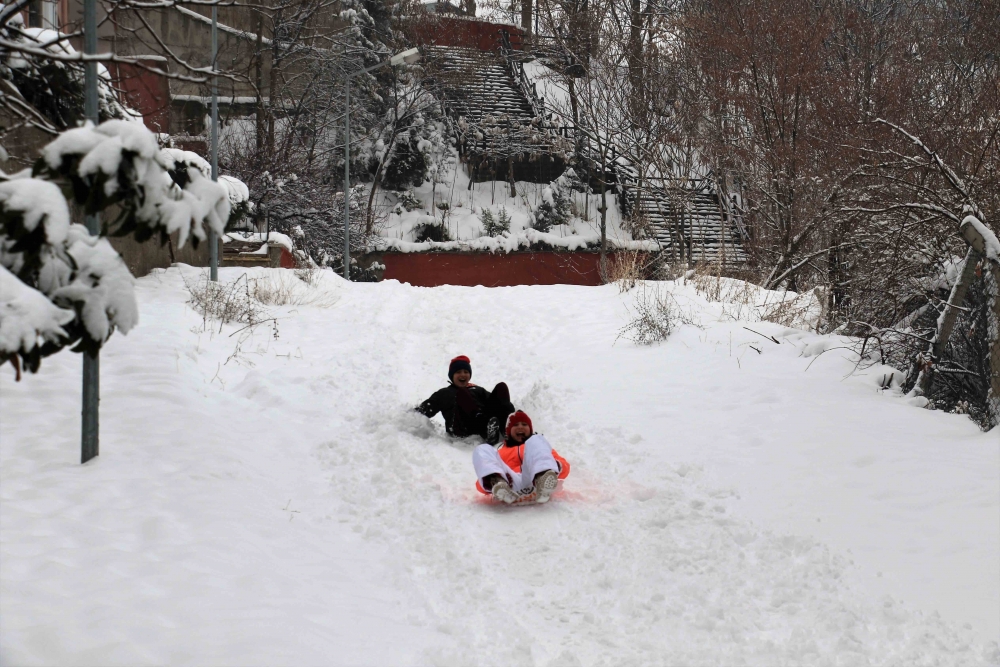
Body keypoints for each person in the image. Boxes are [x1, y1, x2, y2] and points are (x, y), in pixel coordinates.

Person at [473, 410, 570, 504]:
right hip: (511, 486)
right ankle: (499, 485)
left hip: (534, 482)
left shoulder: (538, 447)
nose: (520, 427)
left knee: (537, 439)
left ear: (530, 429)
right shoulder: (500, 453)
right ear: (508, 431)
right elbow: (480, 484)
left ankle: (542, 479)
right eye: (515, 425)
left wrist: (554, 466)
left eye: (524, 424)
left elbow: (565, 467)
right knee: (482, 448)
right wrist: (496, 477)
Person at [416, 355, 515, 444]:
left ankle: (509, 426)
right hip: (462, 429)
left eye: (466, 372)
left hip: (486, 424)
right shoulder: (445, 393)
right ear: (452, 376)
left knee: (501, 387)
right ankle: (486, 431)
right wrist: (408, 418)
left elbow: (496, 403)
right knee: (462, 392)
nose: (463, 374)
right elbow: (424, 410)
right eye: (458, 372)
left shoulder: (477, 389)